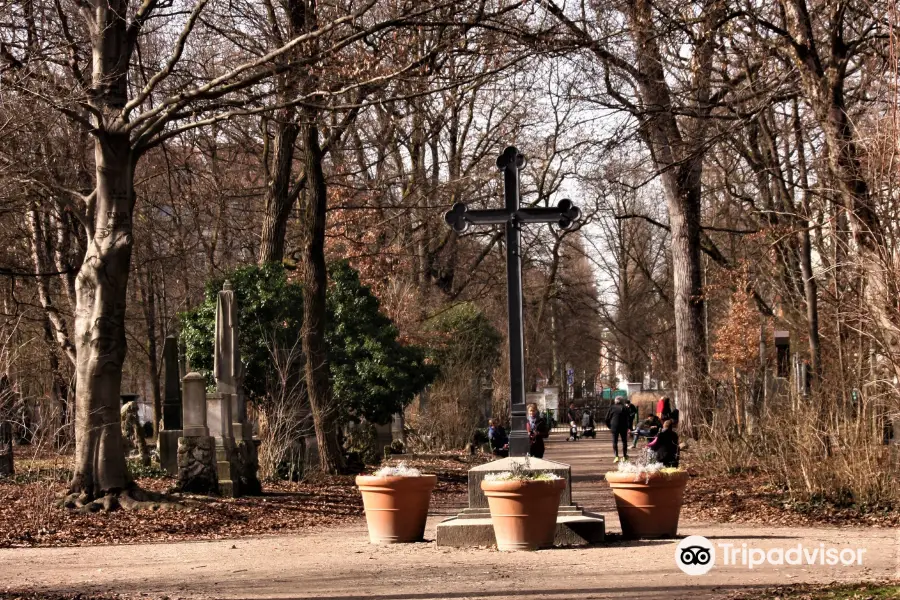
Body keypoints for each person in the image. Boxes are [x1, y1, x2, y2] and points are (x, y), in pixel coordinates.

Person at [605, 397, 631, 462]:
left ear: (615, 401)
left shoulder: (612, 408)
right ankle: (624, 456)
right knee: (624, 441)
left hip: (614, 426)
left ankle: (616, 456)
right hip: (623, 426)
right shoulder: (625, 408)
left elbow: (606, 418)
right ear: (622, 401)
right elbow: (629, 418)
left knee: (614, 441)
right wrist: (628, 427)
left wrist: (610, 426)